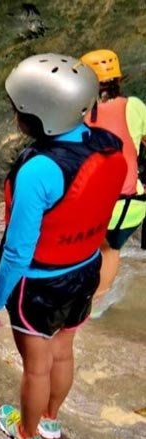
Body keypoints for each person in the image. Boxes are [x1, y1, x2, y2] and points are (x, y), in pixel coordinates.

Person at [0, 54, 126, 439]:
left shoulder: (38, 171)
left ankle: (26, 435)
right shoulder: (110, 146)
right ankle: (49, 420)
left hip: (39, 283)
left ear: (40, 117)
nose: (16, 115)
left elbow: (18, 249)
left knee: (37, 366)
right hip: (85, 270)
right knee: (63, 351)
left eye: (20, 110)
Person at [80, 49, 146, 302]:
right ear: (119, 80)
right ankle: (96, 303)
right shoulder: (136, 107)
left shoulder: (77, 110)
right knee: (111, 249)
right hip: (129, 204)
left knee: (83, 248)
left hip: (87, 203)